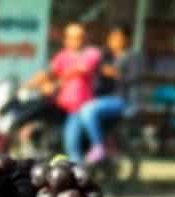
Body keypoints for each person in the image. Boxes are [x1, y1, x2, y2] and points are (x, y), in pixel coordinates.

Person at [65, 23, 143, 163]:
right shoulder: (104, 54)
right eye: (112, 37)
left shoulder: (133, 57)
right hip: (99, 99)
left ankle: (98, 146)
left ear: (126, 39)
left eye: (118, 38)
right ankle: (77, 160)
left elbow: (134, 79)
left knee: (88, 110)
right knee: (77, 117)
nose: (114, 41)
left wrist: (115, 74)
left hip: (120, 100)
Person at [26, 23, 102, 156]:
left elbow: (80, 69)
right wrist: (29, 84)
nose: (75, 41)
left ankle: (77, 173)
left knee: (71, 144)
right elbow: (48, 72)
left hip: (79, 108)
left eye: (79, 37)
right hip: (60, 108)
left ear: (85, 38)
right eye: (71, 37)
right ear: (65, 39)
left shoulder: (91, 53)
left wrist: (56, 82)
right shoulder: (62, 56)